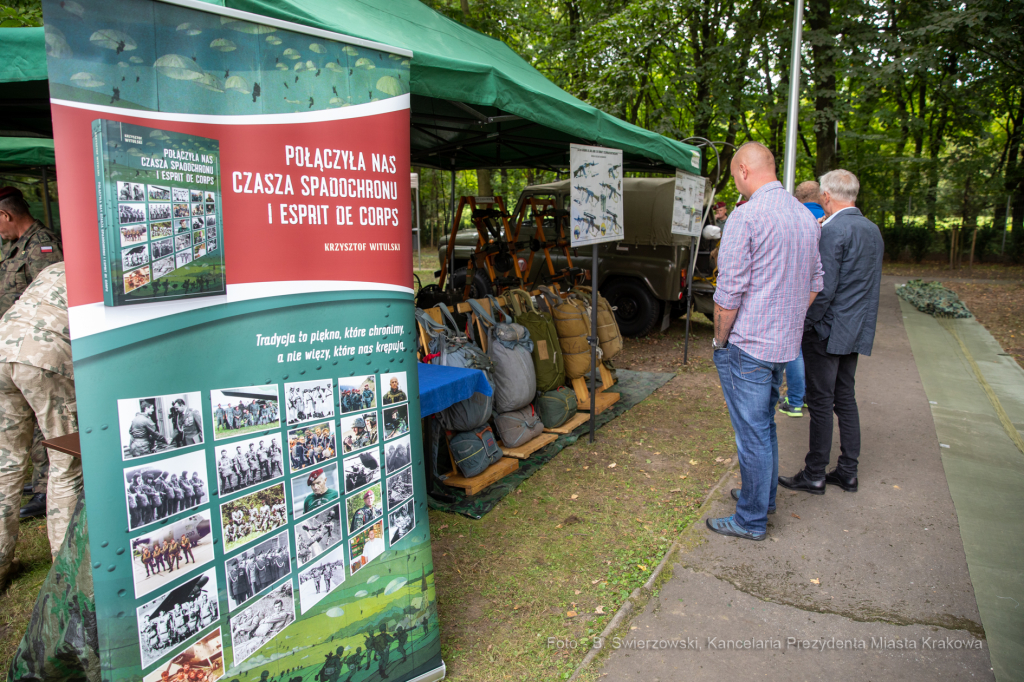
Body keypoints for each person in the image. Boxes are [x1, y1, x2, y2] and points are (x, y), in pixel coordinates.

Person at [706, 142, 823, 541]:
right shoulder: (805, 216)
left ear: (742, 169)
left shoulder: (747, 216)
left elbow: (728, 292)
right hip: (783, 346)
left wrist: (720, 341)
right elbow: (815, 285)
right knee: (764, 428)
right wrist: (788, 320)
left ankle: (751, 518)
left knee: (751, 433)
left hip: (749, 345)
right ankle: (762, 497)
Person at [779, 169, 884, 495]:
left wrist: (805, 323)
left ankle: (814, 474)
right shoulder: (872, 230)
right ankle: (847, 471)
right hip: (854, 329)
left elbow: (823, 288)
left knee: (821, 402)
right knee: (845, 399)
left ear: (827, 195)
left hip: (826, 331)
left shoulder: (833, 231)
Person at [0, 263, 82, 584]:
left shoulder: (53, 267)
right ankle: (66, 575)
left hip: (3, 346)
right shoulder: (100, 270)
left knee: (7, 463)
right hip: (45, 355)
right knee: (67, 462)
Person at [1, 190, 65, 521]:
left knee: (43, 433)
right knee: (17, 447)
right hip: (21, 348)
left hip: (32, 347)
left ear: (6, 215)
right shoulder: (13, 246)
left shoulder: (43, 245)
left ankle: (44, 485)